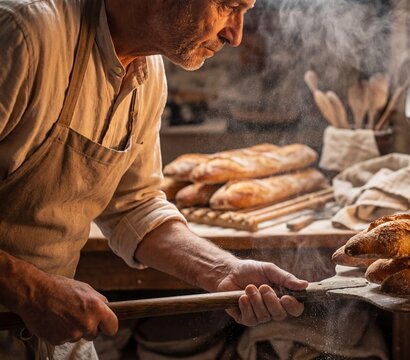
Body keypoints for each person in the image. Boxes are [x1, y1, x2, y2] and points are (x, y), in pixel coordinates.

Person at [0, 0, 308, 358]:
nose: (235, 35)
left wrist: (223, 270)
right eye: (228, 6)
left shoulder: (149, 75)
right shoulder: (26, 35)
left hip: (46, 338)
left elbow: (134, 206)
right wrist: (31, 291)